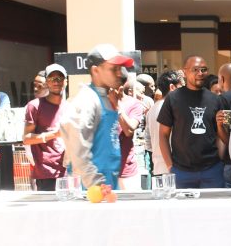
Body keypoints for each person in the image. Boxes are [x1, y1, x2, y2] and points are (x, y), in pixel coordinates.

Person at [60, 44, 135, 188]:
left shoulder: (106, 97)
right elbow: (78, 153)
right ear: (95, 70)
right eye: (114, 69)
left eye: (120, 68)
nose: (120, 73)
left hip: (106, 185)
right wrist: (96, 185)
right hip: (91, 191)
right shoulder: (86, 101)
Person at [157, 56, 224, 188]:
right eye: (195, 69)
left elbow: (221, 135)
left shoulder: (215, 99)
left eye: (204, 69)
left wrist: (220, 159)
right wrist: (170, 166)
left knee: (214, 208)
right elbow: (163, 134)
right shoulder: (173, 98)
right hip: (181, 170)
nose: (200, 73)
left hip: (212, 169)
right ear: (185, 71)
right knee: (182, 208)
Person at [22, 64, 67, 191]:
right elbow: (26, 139)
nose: (56, 82)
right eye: (52, 78)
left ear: (65, 82)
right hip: (46, 172)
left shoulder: (70, 107)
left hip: (69, 172)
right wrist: (55, 134)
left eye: (59, 78)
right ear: (46, 82)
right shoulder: (34, 106)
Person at [147, 70, 182, 180]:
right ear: (172, 87)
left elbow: (148, 142)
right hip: (175, 167)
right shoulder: (174, 108)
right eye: (182, 86)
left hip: (158, 167)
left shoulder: (151, 110)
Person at [117, 81, 145, 190]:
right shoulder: (100, 102)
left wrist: (117, 106)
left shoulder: (134, 103)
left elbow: (129, 130)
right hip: (103, 170)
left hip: (126, 170)